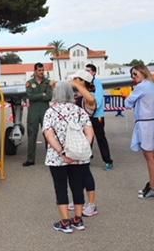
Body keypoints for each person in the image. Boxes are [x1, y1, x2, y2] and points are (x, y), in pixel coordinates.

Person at [42, 81, 95, 233]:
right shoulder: (79, 111)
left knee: (61, 188)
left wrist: (62, 152)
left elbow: (49, 134)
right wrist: (84, 147)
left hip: (57, 158)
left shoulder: (51, 112)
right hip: (79, 157)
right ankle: (78, 220)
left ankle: (65, 222)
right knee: (78, 187)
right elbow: (89, 131)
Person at [125, 64, 154, 199]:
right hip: (152, 122)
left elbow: (128, 102)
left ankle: (153, 188)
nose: (134, 77)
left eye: (135, 74)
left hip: (145, 123)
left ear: (142, 72)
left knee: (149, 156)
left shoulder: (141, 87)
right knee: (153, 156)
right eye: (132, 75)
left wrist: (131, 96)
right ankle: (153, 184)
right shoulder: (152, 85)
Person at [71, 70, 99, 217]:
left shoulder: (89, 98)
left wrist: (75, 84)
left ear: (83, 82)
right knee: (76, 172)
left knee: (85, 172)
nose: (74, 80)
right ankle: (78, 200)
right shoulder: (77, 97)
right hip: (74, 139)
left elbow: (91, 100)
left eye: (77, 79)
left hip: (84, 139)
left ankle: (92, 204)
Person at [23, 63, 53, 166]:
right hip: (33, 112)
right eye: (39, 70)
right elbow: (29, 96)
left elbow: (49, 96)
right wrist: (42, 94)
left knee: (48, 136)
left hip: (45, 111)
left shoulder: (48, 83)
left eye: (42, 70)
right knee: (32, 135)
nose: (41, 72)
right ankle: (30, 159)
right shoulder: (29, 83)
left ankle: (51, 158)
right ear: (35, 71)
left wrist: (39, 96)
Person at [86, 64, 114, 171]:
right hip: (87, 116)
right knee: (88, 138)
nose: (86, 72)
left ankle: (108, 161)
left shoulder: (97, 83)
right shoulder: (85, 83)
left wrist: (92, 107)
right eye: (85, 70)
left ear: (93, 72)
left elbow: (98, 100)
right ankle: (86, 158)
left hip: (97, 116)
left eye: (88, 70)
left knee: (101, 138)